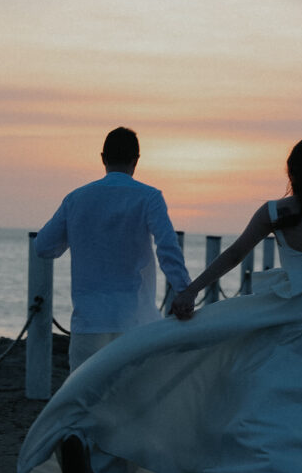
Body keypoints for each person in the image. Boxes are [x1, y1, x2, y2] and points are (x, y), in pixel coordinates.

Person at [16, 139, 302, 473]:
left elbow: (235, 253)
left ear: (290, 171)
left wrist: (192, 292)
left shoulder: (273, 210)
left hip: (280, 314)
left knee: (272, 390)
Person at [33, 127, 191, 373]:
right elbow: (167, 248)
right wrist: (184, 291)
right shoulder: (149, 197)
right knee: (134, 400)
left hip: (89, 321)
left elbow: (43, 247)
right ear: (136, 160)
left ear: (103, 158)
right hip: (136, 319)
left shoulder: (76, 199)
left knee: (84, 403)